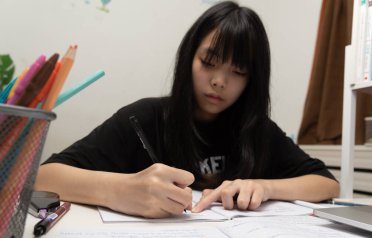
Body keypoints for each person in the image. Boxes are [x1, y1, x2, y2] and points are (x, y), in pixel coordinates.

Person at [35, 1, 339, 218]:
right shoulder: (142, 119)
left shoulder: (256, 130)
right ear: (188, 59)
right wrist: (121, 189)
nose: (220, 81)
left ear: (253, 80)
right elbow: (43, 177)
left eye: (239, 71)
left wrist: (263, 186)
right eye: (208, 63)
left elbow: (326, 184)